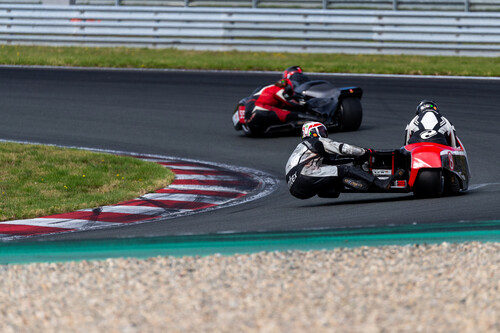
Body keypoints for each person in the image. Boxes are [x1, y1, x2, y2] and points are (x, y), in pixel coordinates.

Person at [285, 122, 404, 199]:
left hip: (296, 189)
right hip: (305, 175)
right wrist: (366, 152)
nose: (323, 134)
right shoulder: (317, 141)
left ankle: (348, 182)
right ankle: (381, 183)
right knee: (346, 169)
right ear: (313, 132)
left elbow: (332, 161)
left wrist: (352, 159)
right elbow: (343, 148)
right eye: (321, 131)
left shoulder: (301, 148)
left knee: (334, 171)